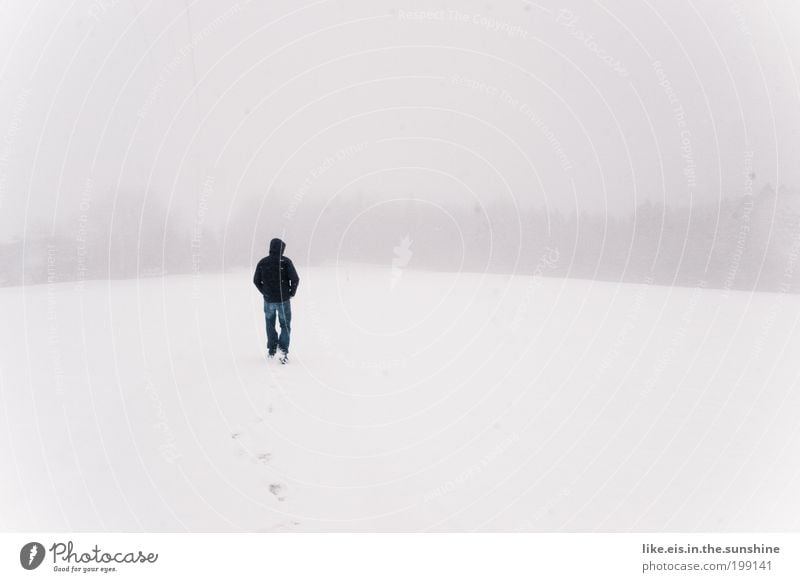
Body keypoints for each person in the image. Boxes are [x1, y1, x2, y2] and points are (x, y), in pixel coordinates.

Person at [253, 238, 300, 363]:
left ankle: (272, 349)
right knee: (285, 325)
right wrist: (291, 293)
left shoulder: (263, 262)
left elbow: (256, 281)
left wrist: (265, 292)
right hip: (283, 300)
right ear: (281, 248)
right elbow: (295, 279)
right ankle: (283, 350)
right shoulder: (285, 262)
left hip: (268, 301)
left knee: (270, 324)